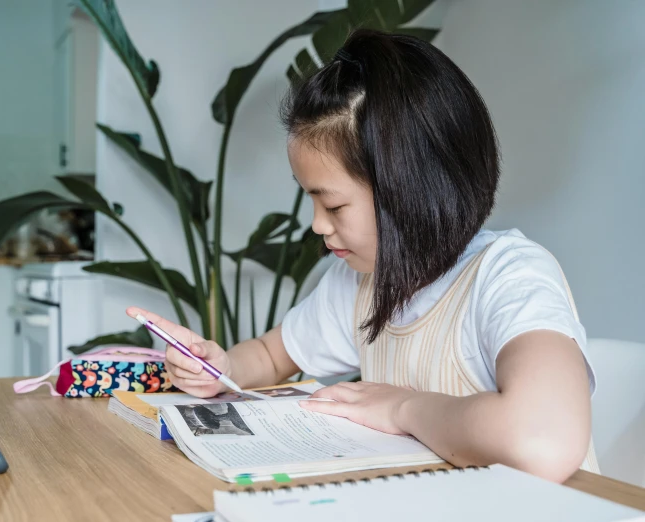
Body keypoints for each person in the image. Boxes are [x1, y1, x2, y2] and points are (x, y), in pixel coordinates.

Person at [128, 28, 598, 483]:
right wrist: (222, 369)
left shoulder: (509, 276)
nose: (316, 224)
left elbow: (542, 440)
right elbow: (273, 356)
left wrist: (401, 408)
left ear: (411, 189)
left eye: (332, 204)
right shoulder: (359, 280)